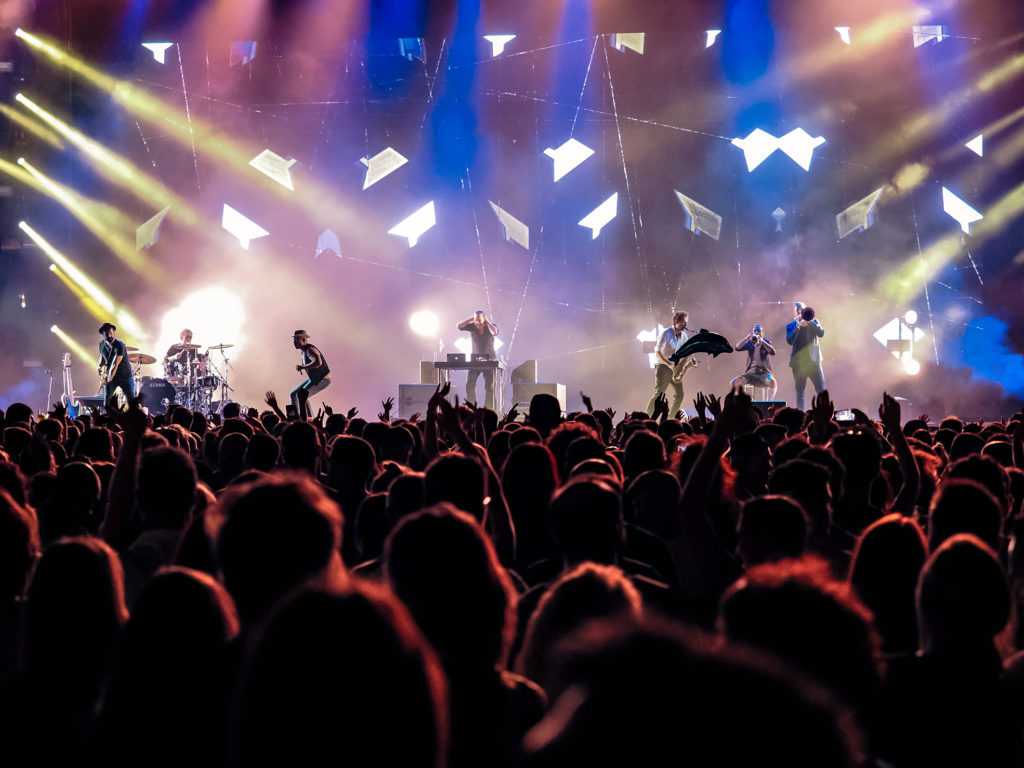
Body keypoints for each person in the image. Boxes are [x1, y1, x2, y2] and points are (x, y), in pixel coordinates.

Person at [646, 311, 696, 417]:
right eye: (683, 322)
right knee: (659, 394)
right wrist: (670, 364)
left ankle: (670, 419)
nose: (685, 325)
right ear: (676, 321)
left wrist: (688, 358)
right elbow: (658, 353)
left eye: (686, 323)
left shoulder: (684, 336)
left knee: (679, 395)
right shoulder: (666, 333)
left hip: (674, 367)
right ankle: (647, 418)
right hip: (663, 366)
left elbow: (685, 351)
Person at [786, 302, 825, 411]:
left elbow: (821, 333)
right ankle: (801, 416)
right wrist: (798, 327)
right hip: (798, 363)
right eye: (797, 310)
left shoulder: (814, 322)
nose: (800, 312)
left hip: (814, 361)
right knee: (800, 392)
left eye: (802, 309)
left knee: (821, 390)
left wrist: (811, 322)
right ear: (795, 312)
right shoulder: (791, 326)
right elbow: (790, 341)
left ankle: (824, 413)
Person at [457, 310, 498, 410]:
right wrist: (472, 318)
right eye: (476, 321)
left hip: (489, 361)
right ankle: (472, 408)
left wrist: (487, 322)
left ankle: (488, 409)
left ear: (484, 319)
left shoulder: (490, 326)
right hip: (474, 361)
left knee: (490, 388)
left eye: (480, 321)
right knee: (469, 385)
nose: (478, 323)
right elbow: (459, 326)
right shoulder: (472, 326)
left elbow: (495, 332)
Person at [290, 330, 331, 416]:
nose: (294, 342)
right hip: (314, 378)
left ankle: (307, 420)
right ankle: (295, 417)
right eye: (294, 340)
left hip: (323, 378)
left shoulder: (310, 350)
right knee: (294, 394)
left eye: (297, 339)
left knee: (301, 396)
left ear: (304, 340)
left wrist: (303, 367)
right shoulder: (304, 351)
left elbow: (318, 362)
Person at [731, 324, 777, 400]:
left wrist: (762, 342)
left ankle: (770, 403)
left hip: (764, 372)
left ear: (762, 333)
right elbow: (737, 348)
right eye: (754, 331)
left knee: (773, 382)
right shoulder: (750, 343)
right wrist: (747, 338)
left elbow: (773, 352)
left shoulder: (766, 342)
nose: (756, 332)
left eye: (758, 331)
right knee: (734, 382)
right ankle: (742, 403)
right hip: (751, 372)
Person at [97, 322, 134, 410]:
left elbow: (115, 364)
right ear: (102, 334)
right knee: (107, 403)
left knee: (131, 401)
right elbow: (102, 356)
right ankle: (110, 421)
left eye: (111, 333)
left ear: (114, 332)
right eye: (107, 334)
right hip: (110, 375)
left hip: (124, 376)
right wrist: (99, 367)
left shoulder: (119, 345)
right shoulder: (101, 344)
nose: (110, 335)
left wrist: (108, 379)